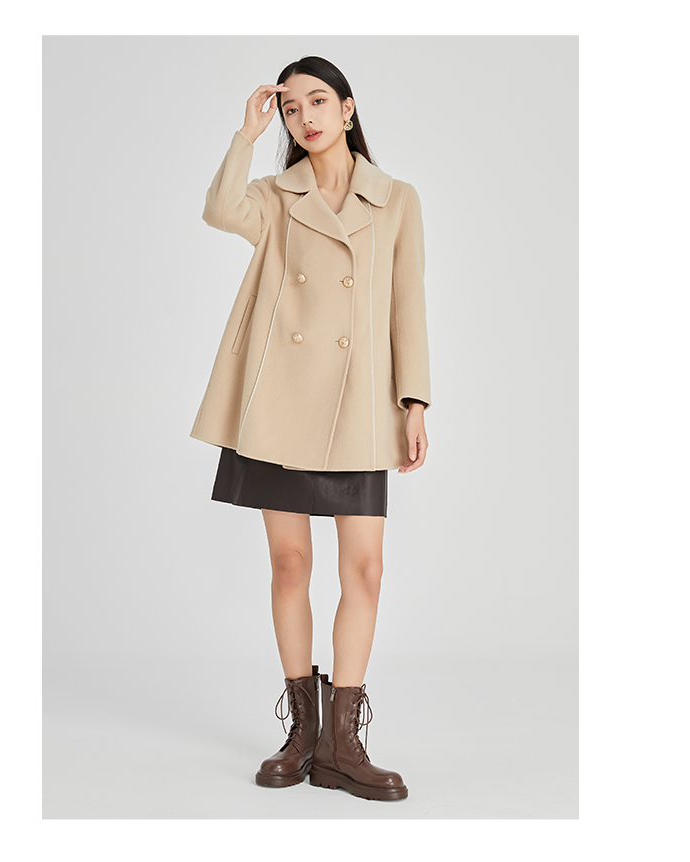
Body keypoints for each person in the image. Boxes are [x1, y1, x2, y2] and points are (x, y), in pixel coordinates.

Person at [190, 56, 431, 801]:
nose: (304, 118)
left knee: (365, 569)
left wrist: (415, 401)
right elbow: (219, 210)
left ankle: (343, 745)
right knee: (290, 565)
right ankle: (302, 734)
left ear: (348, 109)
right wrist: (246, 132)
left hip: (360, 402)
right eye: (291, 108)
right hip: (280, 402)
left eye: (317, 101)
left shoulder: (395, 199)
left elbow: (408, 303)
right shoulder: (273, 195)